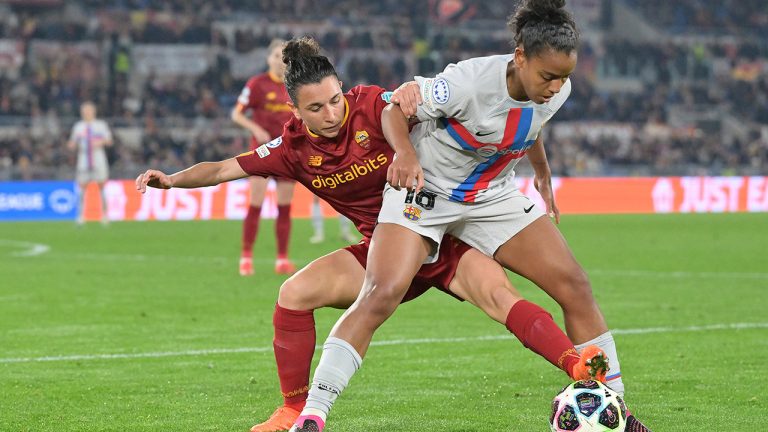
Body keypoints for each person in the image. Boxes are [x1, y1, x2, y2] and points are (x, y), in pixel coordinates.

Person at [136, 37, 608, 432]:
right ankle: (295, 408)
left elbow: (496, 115)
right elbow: (224, 167)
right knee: (294, 294)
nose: (331, 112)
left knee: (498, 295)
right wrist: (173, 180)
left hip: (440, 232)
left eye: (335, 99)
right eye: (316, 108)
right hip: (382, 248)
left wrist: (412, 151)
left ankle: (582, 373)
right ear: (295, 111)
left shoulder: (373, 105)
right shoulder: (292, 150)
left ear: (344, 89)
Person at [293, 1, 651, 431]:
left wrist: (541, 170)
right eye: (548, 76)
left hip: (490, 196)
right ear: (520, 57)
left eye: (564, 77)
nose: (556, 87)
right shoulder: (465, 82)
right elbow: (393, 110)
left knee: (574, 284)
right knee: (381, 292)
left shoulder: (557, 89)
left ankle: (614, 410)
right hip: (427, 190)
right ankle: (313, 415)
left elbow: (529, 124)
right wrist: (405, 154)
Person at [232, 38, 296, 276]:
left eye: (284, 57)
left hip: (287, 154)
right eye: (276, 56)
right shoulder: (257, 84)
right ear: (268, 58)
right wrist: (255, 129)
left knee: (285, 208)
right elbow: (237, 114)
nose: (280, 61)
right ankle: (246, 258)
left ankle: (282, 259)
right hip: (260, 153)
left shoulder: (294, 85)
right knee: (255, 205)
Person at [67, 101, 113, 225]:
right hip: (83, 160)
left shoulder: (100, 125)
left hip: (98, 159)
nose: (86, 113)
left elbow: (109, 141)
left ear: (93, 111)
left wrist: (100, 142)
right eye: (84, 111)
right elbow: (72, 142)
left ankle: (104, 215)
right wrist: (72, 145)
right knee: (81, 188)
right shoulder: (78, 127)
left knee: (102, 187)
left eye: (88, 110)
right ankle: (81, 216)